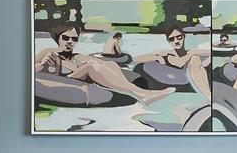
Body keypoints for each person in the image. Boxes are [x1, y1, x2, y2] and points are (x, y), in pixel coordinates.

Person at [35, 23, 174, 105]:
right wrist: (42, 64)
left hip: (78, 76)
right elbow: (30, 70)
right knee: (91, 66)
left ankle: (136, 92)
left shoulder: (77, 56)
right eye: (65, 38)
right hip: (67, 81)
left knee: (111, 65)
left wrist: (105, 66)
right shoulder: (49, 52)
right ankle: (142, 94)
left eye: (74, 38)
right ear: (57, 38)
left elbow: (102, 64)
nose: (70, 41)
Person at [142, 25, 213, 99]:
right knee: (195, 58)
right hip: (175, 78)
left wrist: (193, 53)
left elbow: (209, 53)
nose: (176, 41)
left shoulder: (190, 52)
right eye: (172, 39)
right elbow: (179, 63)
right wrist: (157, 57)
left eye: (179, 37)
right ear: (168, 41)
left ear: (184, 37)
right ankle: (209, 97)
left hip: (190, 77)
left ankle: (209, 96)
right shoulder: (167, 53)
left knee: (196, 58)